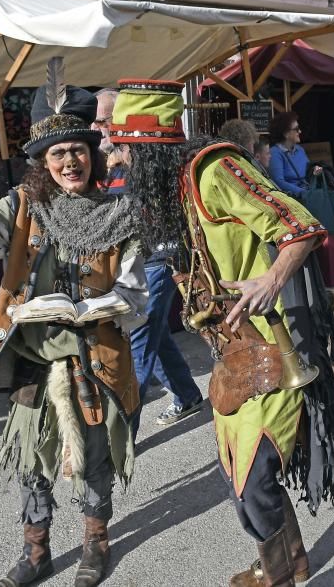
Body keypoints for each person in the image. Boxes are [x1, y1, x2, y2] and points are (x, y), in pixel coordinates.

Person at [0, 80, 149, 587]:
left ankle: (94, 547)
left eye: (77, 151)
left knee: (93, 459)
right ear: (44, 161)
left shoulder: (117, 213)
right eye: (57, 154)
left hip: (93, 359)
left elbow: (135, 296)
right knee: (32, 462)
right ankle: (36, 553)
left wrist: (84, 308)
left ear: (91, 156)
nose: (69, 162)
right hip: (35, 362)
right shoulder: (22, 207)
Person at [179, 131, 334, 585]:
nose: (105, 144)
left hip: (270, 348)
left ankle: (278, 577)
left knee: (254, 476)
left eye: (109, 131)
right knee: (238, 472)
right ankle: (290, 559)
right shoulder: (165, 190)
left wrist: (272, 279)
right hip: (230, 353)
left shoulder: (213, 170)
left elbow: (301, 224)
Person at [105, 79, 204, 434]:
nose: (104, 130)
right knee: (154, 335)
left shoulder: (152, 162)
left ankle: (121, 437)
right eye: (101, 123)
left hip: (160, 259)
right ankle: (188, 394)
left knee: (137, 345)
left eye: (108, 122)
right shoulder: (110, 165)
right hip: (132, 263)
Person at [268, 112, 314, 198]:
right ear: (286, 133)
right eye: (296, 129)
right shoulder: (275, 153)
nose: (300, 131)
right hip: (292, 200)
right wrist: (305, 193)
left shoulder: (300, 150)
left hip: (307, 194)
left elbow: (309, 172)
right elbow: (278, 182)